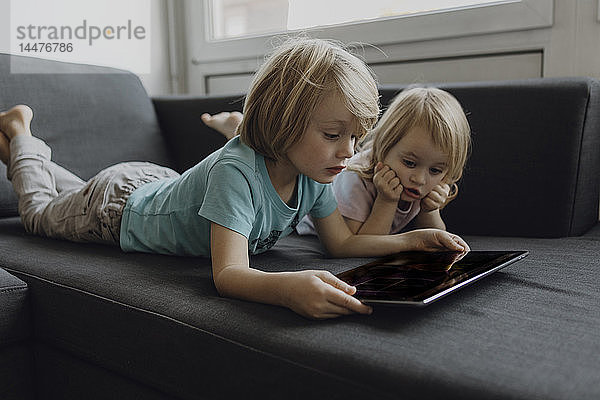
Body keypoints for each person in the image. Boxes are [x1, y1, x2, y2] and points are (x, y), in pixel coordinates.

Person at [0, 38, 469, 320]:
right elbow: (228, 275)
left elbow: (342, 244)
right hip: (116, 211)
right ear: (283, 122)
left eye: (354, 136)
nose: (349, 152)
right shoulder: (237, 172)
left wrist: (415, 241)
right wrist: (288, 288)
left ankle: (27, 153)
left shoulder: (317, 172)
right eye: (333, 135)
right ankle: (20, 133)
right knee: (40, 215)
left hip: (155, 183)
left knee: (70, 194)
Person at [204, 86, 471, 236]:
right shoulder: (355, 177)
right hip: (314, 223)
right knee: (266, 151)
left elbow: (436, 237)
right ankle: (239, 128)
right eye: (410, 163)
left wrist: (429, 210)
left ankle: (237, 127)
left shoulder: (422, 182)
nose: (420, 179)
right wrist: (387, 201)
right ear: (383, 147)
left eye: (436, 170)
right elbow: (358, 242)